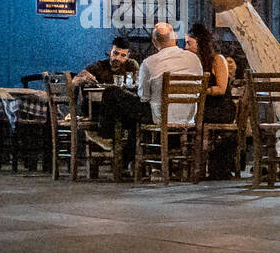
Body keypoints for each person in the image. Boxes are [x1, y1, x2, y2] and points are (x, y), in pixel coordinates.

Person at [96, 22, 202, 163]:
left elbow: (143, 97)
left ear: (154, 41)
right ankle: (128, 160)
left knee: (112, 93)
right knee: (131, 116)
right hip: (189, 117)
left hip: (159, 117)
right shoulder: (194, 59)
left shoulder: (150, 62)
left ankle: (106, 138)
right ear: (175, 38)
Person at [187, 22, 238, 179]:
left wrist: (202, 92)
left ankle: (199, 166)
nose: (186, 47)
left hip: (220, 108)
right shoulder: (194, 62)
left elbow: (221, 88)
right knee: (185, 118)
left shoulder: (217, 60)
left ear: (200, 42)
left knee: (191, 120)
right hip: (203, 107)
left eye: (189, 43)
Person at [71, 36, 140, 89]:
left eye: (123, 55)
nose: (118, 58)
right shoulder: (99, 66)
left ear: (128, 56)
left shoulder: (131, 65)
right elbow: (74, 81)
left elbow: (140, 84)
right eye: (115, 53)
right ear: (110, 52)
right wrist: (84, 78)